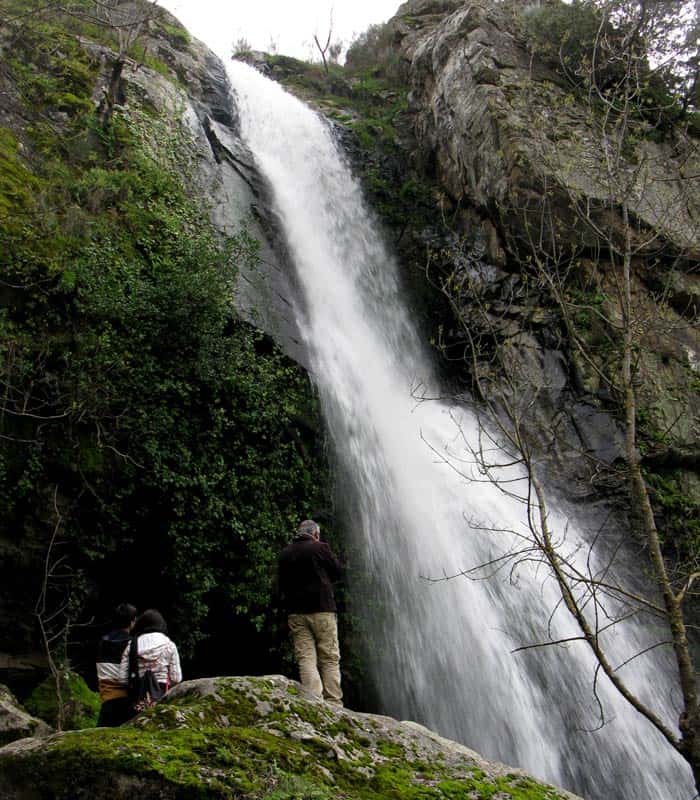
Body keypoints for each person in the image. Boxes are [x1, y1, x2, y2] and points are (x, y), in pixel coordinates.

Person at [277, 519, 343, 705]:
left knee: (306, 657)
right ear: (315, 534)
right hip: (322, 610)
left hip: (296, 612)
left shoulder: (285, 554)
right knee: (329, 658)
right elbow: (338, 571)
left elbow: (280, 586)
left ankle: (314, 702)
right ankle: (334, 703)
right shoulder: (320, 548)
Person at [120, 608, 182, 703]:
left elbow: (122, 679)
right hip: (162, 695)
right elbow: (176, 678)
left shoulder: (131, 645)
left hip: (137, 696)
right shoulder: (169, 645)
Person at [96, 603, 137, 727]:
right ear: (131, 622)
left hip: (107, 697)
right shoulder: (131, 643)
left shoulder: (102, 642)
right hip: (125, 700)